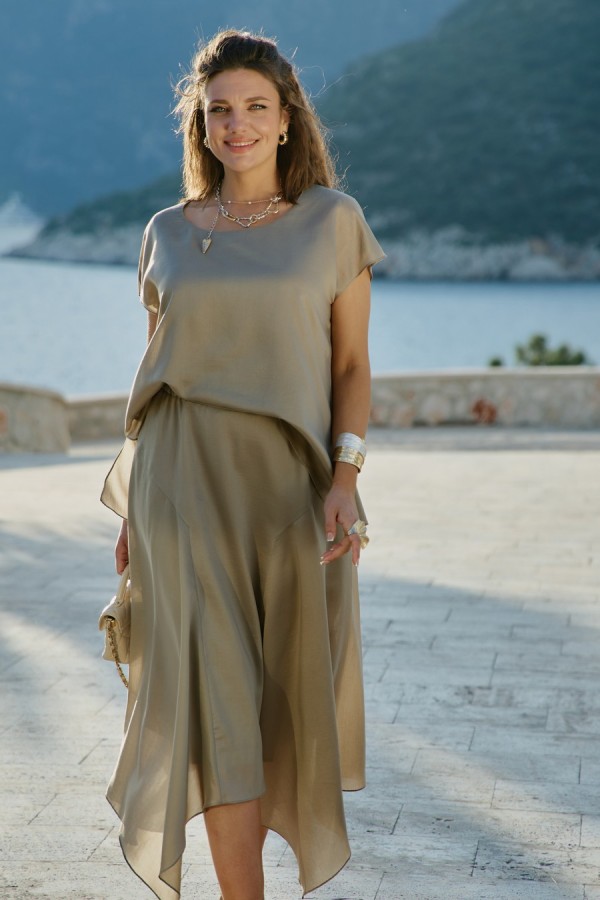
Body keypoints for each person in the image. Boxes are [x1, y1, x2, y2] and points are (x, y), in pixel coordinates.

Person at [101, 28, 384, 900]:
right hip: (179, 485)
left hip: (290, 493)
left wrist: (346, 480)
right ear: (201, 123)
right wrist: (131, 513)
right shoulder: (166, 233)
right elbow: (155, 373)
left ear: (287, 118)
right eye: (220, 109)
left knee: (276, 711)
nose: (238, 124)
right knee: (219, 709)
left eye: (256, 107)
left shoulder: (333, 222)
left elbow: (350, 367)